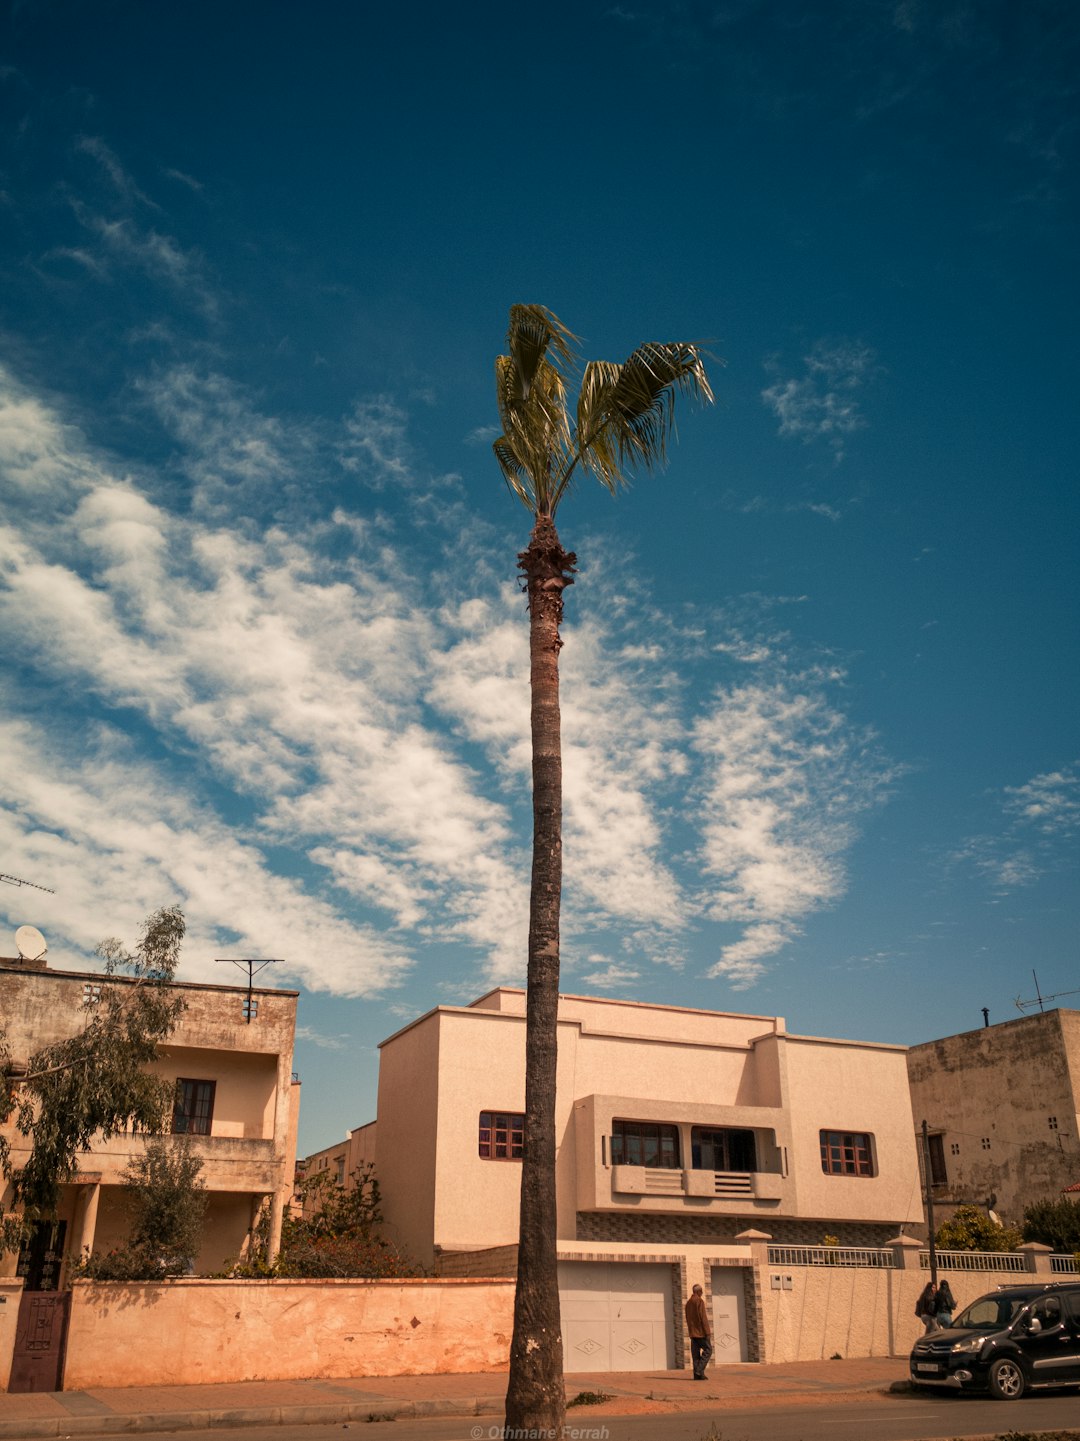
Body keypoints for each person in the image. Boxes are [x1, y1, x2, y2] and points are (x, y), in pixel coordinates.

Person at [685, 1283, 713, 1380]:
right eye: (701, 1291)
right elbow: (703, 1318)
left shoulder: (688, 1303)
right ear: (697, 1291)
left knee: (696, 1355)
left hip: (693, 1333)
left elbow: (687, 1318)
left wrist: (690, 1331)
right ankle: (699, 1370)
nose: (702, 1293)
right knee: (708, 1350)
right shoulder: (699, 1302)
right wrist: (707, 1332)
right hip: (701, 1332)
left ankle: (698, 1375)